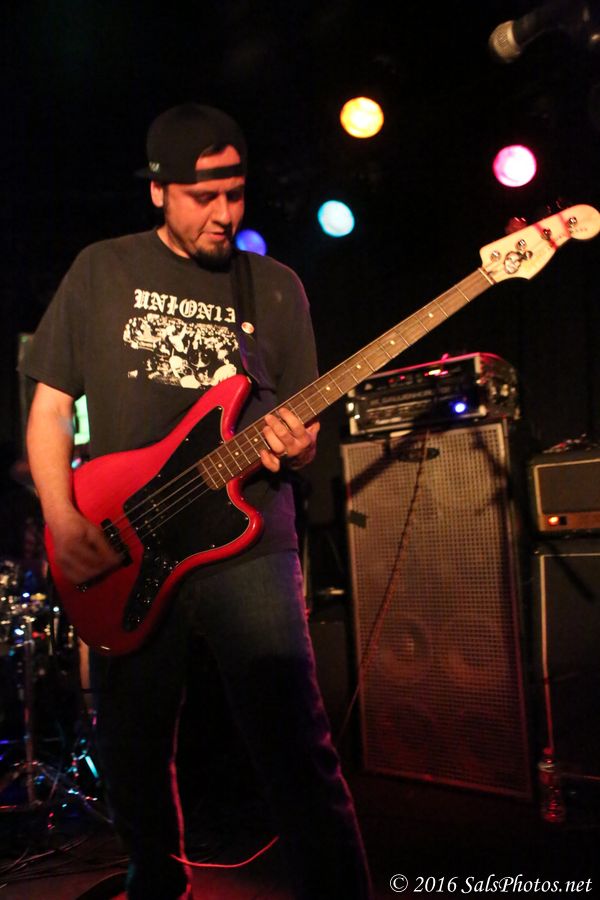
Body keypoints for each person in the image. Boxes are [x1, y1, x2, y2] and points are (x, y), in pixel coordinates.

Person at [20, 103, 373, 900]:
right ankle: (158, 883)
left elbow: (304, 428)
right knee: (134, 744)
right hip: (127, 536)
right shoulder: (101, 270)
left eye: (235, 195)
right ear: (158, 191)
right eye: (202, 197)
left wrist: (297, 445)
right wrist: (61, 518)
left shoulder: (275, 287)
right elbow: (49, 408)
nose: (224, 214)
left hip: (248, 538)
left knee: (293, 739)